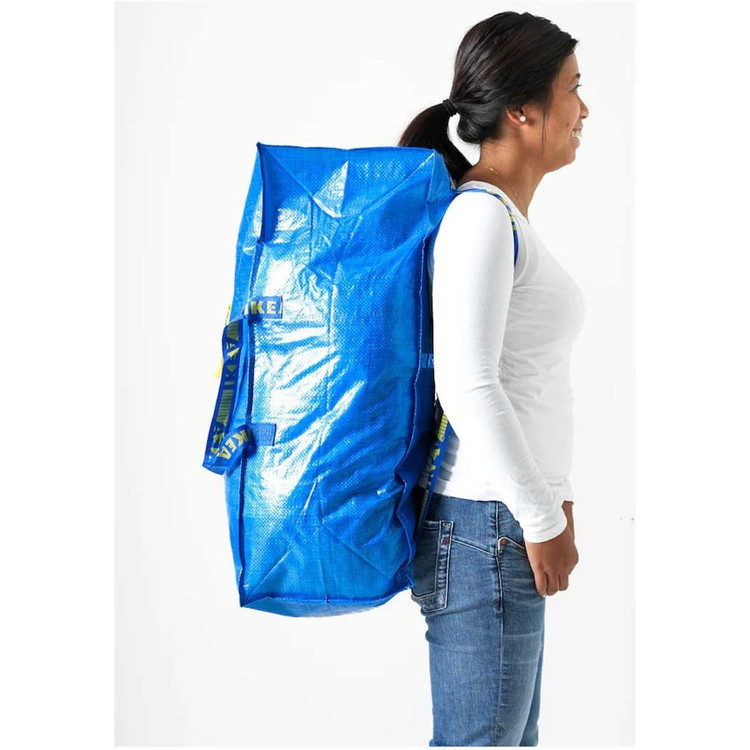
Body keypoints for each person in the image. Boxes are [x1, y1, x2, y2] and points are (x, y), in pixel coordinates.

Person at [397, 10, 590, 747]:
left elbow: (522, 380)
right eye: (573, 88)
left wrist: (553, 497)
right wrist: (540, 519)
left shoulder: (502, 218)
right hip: (489, 530)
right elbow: (469, 383)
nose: (584, 109)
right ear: (521, 110)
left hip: (497, 527)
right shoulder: (480, 219)